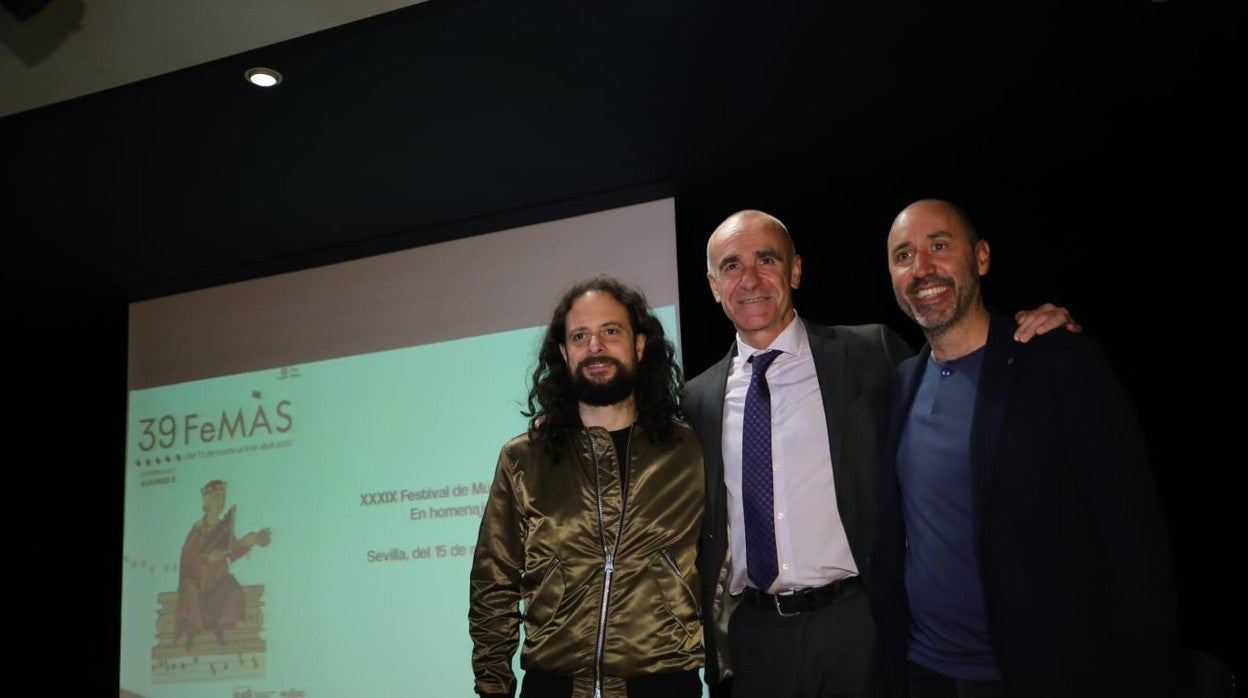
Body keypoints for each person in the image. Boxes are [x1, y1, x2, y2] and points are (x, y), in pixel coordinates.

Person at [682, 209, 1077, 698]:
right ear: (713, 284)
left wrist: (1033, 328)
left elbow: (956, 370)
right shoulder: (694, 399)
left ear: (796, 269)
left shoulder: (871, 352)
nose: (750, 279)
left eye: (766, 259)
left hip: (861, 622)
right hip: (756, 635)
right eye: (731, 266)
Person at [870, 199, 1177, 697]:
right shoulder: (902, 381)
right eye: (903, 255)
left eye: (940, 246)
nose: (922, 268)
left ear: (982, 257)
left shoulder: (1058, 361)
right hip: (924, 671)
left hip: (1035, 674)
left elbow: (1133, 539)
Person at [469, 275, 705, 698]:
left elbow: (724, 564)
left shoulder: (689, 450)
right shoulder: (524, 459)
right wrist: (492, 685)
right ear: (563, 352)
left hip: (666, 682)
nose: (595, 346)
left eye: (610, 331)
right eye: (580, 335)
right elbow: (493, 582)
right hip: (552, 685)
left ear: (638, 344)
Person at [175, 479, 272, 650]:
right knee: (189, 590)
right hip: (198, 587)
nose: (220, 501)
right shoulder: (198, 529)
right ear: (208, 500)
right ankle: (192, 634)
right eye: (216, 496)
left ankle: (223, 627)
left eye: (222, 496)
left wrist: (256, 538)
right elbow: (188, 560)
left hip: (217, 587)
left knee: (232, 587)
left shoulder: (222, 528)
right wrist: (206, 559)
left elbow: (234, 549)